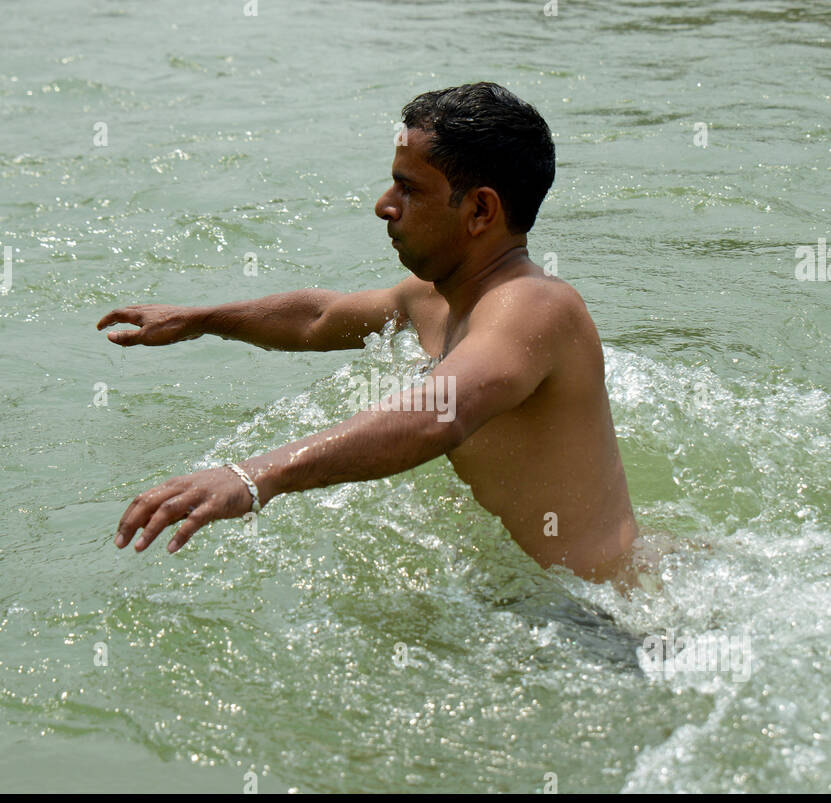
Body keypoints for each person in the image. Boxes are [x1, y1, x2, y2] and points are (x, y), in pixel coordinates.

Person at [97, 82, 650, 586]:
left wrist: (253, 475)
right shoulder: (432, 297)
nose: (384, 205)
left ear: (480, 209)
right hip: (530, 595)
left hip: (601, 618)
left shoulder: (535, 307)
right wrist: (200, 319)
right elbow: (318, 318)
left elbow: (441, 412)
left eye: (409, 189)